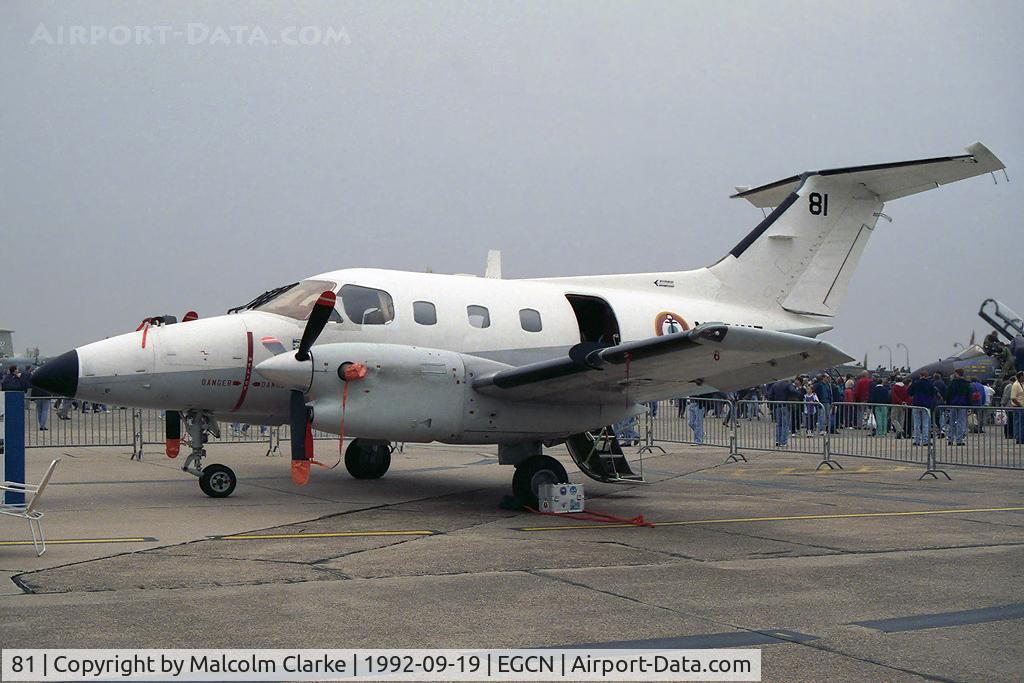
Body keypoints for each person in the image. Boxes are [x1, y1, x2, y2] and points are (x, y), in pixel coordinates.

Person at [945, 369, 972, 446]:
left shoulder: (952, 383)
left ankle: (950, 439)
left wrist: (947, 404)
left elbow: (948, 395)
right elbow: (969, 395)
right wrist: (969, 405)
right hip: (963, 405)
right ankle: (959, 439)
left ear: (957, 374)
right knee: (961, 422)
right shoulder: (966, 384)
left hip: (953, 404)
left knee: (952, 422)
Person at [908, 371, 935, 446]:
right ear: (927, 376)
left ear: (920, 376)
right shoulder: (930, 384)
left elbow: (909, 392)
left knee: (916, 423)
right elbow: (933, 394)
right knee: (925, 423)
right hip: (926, 406)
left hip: (916, 404)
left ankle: (916, 440)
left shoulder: (916, 383)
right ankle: (925, 440)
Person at [890, 375, 911, 439]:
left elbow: (894, 396)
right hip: (903, 405)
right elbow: (908, 396)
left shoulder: (894, 387)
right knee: (901, 419)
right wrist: (905, 402)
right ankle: (899, 434)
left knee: (893, 419)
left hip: (896, 404)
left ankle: (899, 430)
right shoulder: (905, 387)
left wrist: (899, 402)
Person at [1011, 371, 1024, 444]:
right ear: (1021, 376)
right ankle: (1019, 438)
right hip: (1018, 407)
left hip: (1022, 407)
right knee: (1018, 423)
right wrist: (1020, 405)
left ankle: (1022, 437)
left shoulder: (1021, 384)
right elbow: (1013, 397)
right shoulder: (1015, 385)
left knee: (1022, 423)